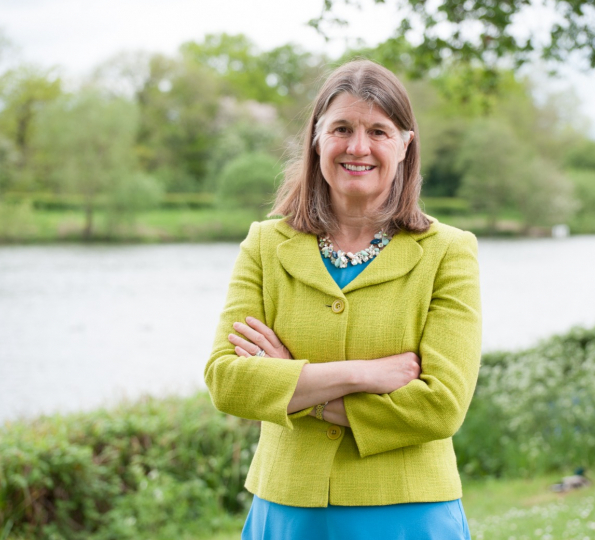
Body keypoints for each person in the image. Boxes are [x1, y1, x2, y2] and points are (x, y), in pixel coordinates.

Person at [204, 59, 482, 540]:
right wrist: (362, 376)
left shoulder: (448, 251)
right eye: (342, 128)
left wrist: (295, 383)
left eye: (378, 130)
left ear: (405, 144)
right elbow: (226, 381)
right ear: (316, 138)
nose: (358, 147)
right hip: (289, 510)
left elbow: (441, 406)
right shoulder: (265, 244)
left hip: (407, 515)